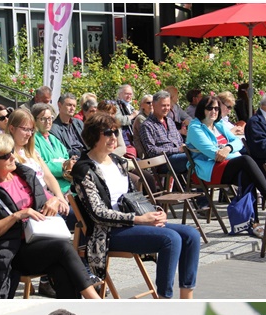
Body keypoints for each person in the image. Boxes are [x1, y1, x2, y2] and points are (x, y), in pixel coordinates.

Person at [72, 113, 201, 299]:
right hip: (107, 233)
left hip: (133, 224)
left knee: (191, 235)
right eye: (108, 133)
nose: (114, 137)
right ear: (93, 136)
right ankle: (165, 300)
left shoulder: (119, 162)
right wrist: (138, 219)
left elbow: (135, 198)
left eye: (116, 132)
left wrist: (155, 213)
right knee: (170, 239)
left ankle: (186, 299)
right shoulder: (84, 169)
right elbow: (97, 213)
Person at [0, 133, 100, 300]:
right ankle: (95, 300)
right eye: (5, 156)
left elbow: (46, 197)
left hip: (40, 242)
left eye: (12, 151)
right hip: (12, 252)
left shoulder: (24, 175)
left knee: (62, 270)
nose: (12, 157)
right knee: (63, 248)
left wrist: (54, 200)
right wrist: (17, 216)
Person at [186, 96, 266, 230]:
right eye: (210, 108)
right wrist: (229, 151)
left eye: (216, 108)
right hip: (207, 169)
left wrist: (227, 148)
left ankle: (253, 222)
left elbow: (238, 142)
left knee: (247, 175)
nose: (214, 111)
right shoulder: (195, 127)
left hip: (225, 164)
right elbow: (212, 153)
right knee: (245, 160)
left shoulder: (219, 125)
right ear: (202, 109)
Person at [10, 107, 67, 200]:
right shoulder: (9, 157)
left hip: (50, 195)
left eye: (31, 130)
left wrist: (60, 197)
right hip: (36, 202)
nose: (29, 134)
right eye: (25, 129)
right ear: (12, 128)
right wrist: (53, 200)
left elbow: (48, 177)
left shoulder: (32, 152)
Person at [139, 90, 189, 175]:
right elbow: (151, 150)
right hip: (162, 162)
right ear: (154, 105)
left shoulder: (170, 121)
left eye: (168, 105)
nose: (166, 108)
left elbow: (180, 141)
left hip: (178, 157)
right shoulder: (147, 125)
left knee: (200, 156)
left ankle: (202, 186)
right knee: (192, 159)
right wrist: (177, 150)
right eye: (163, 105)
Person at [114, 84, 139, 157]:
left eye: (130, 94)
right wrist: (132, 116)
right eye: (126, 94)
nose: (129, 96)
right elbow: (118, 120)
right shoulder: (116, 105)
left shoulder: (130, 107)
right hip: (122, 138)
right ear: (120, 94)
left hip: (132, 138)